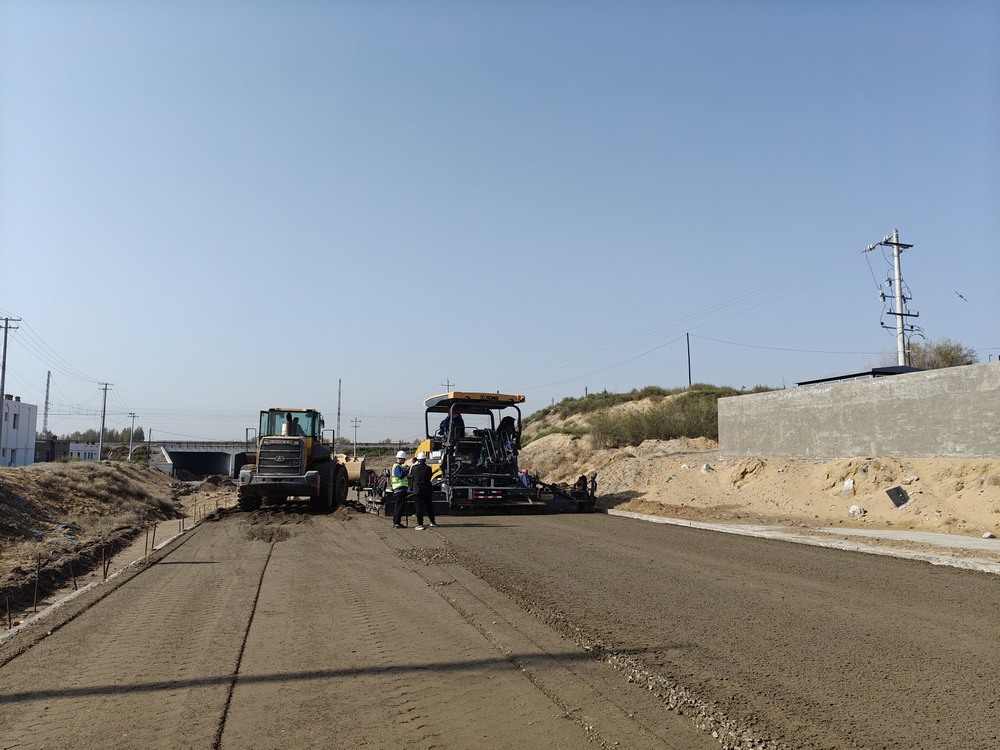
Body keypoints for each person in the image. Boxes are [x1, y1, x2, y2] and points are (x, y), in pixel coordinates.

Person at [408, 451, 437, 530]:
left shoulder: (414, 468)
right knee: (429, 506)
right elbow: (429, 478)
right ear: (425, 459)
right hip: (427, 490)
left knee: (419, 507)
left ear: (418, 459)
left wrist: (411, 488)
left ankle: (420, 524)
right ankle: (432, 522)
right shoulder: (428, 468)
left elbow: (413, 478)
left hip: (417, 490)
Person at [390, 450, 410, 528]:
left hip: (400, 489)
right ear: (401, 459)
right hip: (399, 489)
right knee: (399, 507)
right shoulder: (397, 467)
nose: (404, 461)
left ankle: (397, 522)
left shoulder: (398, 466)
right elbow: (400, 476)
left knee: (399, 506)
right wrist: (406, 471)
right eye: (404, 459)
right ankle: (397, 523)